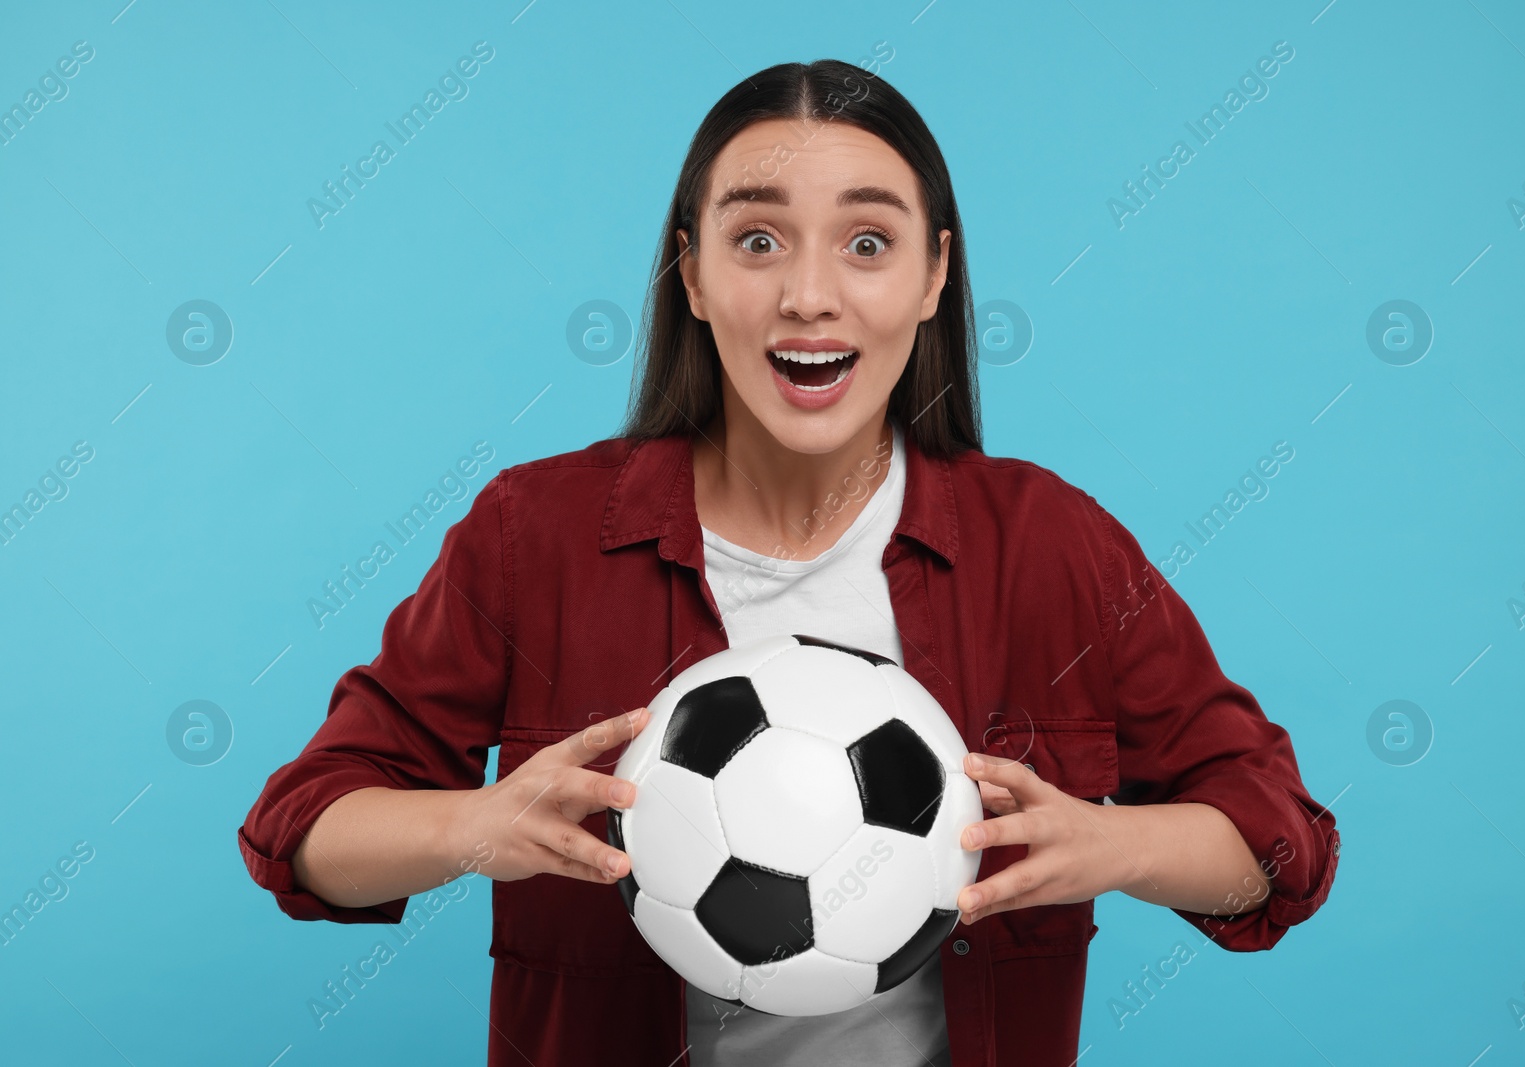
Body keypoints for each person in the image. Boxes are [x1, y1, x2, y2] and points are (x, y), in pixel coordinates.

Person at [238, 59, 1340, 1066]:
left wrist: (1110, 845)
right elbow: (303, 827)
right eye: (757, 239)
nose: (808, 294)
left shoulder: (1048, 546)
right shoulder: (537, 535)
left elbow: (1279, 845)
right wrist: (473, 826)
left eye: (867, 242)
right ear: (693, 273)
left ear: (932, 276)